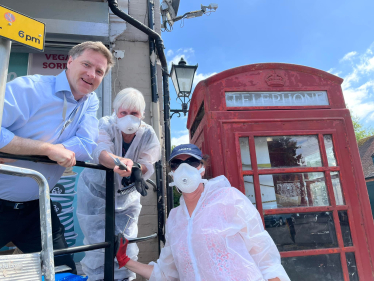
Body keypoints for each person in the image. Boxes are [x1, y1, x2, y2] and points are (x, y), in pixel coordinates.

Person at [0, 41, 114, 274]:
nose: (92, 74)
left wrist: (21, 150)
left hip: (37, 208)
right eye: (86, 64)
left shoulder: (90, 101)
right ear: (69, 61)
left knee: (63, 272)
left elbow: (86, 144)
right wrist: (46, 149)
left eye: (99, 71)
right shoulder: (29, 88)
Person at [115, 144, 291, 281]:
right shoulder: (175, 218)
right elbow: (166, 273)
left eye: (191, 162)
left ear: (202, 168)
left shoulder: (229, 198)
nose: (184, 168)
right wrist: (125, 260)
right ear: (172, 173)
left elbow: (265, 257)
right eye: (176, 164)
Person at [77, 87, 161, 281]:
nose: (128, 118)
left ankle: (125, 278)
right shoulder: (105, 124)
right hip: (96, 193)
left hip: (126, 195)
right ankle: (99, 278)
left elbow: (149, 161)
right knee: (98, 241)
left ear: (142, 114)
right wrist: (123, 164)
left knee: (127, 239)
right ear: (116, 112)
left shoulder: (147, 133)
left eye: (134, 113)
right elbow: (101, 152)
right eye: (123, 113)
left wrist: (140, 168)